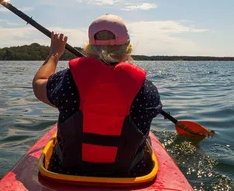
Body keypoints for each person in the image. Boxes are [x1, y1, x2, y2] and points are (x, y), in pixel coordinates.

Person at [32, 14, 163, 177]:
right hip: (128, 175)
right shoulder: (146, 89)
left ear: (89, 47)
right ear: (128, 47)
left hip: (67, 173)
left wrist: (54, 54)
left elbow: (39, 84)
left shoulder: (68, 80)